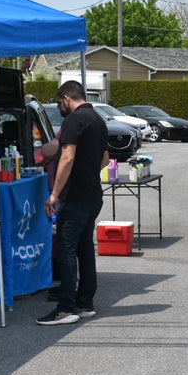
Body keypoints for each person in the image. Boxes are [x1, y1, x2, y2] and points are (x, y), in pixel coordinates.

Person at [39, 80, 109, 326]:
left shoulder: (74, 120)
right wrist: (87, 172)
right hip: (92, 195)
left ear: (67, 98)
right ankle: (85, 303)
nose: (60, 107)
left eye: (60, 102)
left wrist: (54, 194)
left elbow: (66, 158)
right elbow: (105, 158)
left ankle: (65, 307)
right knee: (84, 249)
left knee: (67, 249)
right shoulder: (98, 119)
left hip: (75, 196)